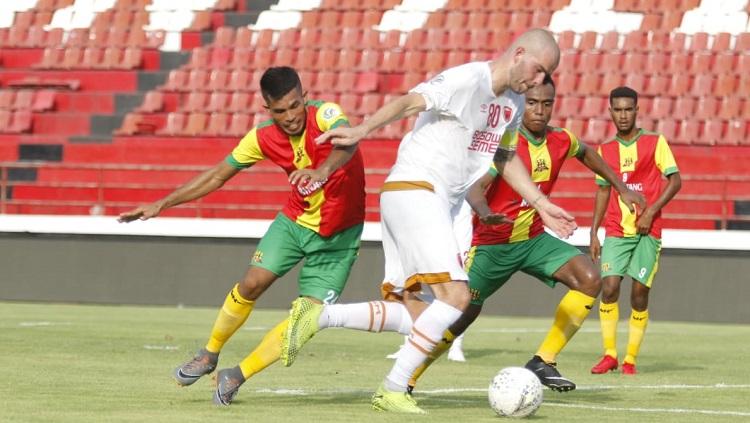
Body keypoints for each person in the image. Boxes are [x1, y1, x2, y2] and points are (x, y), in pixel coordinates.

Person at [280, 29, 577, 414]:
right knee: (457, 297)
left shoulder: (514, 104)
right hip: (417, 189)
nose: (539, 81)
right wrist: (360, 131)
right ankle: (392, 389)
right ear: (518, 53)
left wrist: (540, 202)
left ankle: (320, 314)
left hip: (433, 200)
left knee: (418, 313)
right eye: (538, 70)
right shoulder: (468, 79)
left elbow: (504, 157)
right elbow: (410, 103)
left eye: (546, 76)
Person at [117, 66, 366, 406]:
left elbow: (347, 140)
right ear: (268, 109)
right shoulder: (261, 137)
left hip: (339, 236)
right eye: (280, 110)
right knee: (251, 284)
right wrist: (162, 204)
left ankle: (237, 375)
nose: (291, 116)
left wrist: (322, 170)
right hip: (295, 223)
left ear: (304, 97)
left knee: (306, 319)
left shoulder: (326, 114)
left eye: (295, 105)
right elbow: (218, 175)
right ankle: (209, 354)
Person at [404, 76, 645, 394]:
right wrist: (484, 211)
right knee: (460, 316)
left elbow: (587, 154)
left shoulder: (561, 140)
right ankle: (408, 375)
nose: (540, 111)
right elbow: (477, 187)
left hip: (533, 240)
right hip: (492, 245)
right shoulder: (506, 144)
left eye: (547, 104)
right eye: (532, 103)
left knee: (589, 278)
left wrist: (622, 187)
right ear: (521, 103)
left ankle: (543, 360)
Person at [589, 86, 681, 375]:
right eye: (618, 109)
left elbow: (675, 181)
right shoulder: (604, 151)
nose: (623, 115)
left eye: (629, 109)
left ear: (637, 110)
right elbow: (603, 191)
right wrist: (593, 232)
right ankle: (610, 354)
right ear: (610, 112)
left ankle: (630, 359)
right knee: (610, 287)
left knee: (639, 294)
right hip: (616, 229)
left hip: (647, 231)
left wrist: (651, 211)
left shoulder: (655, 142)